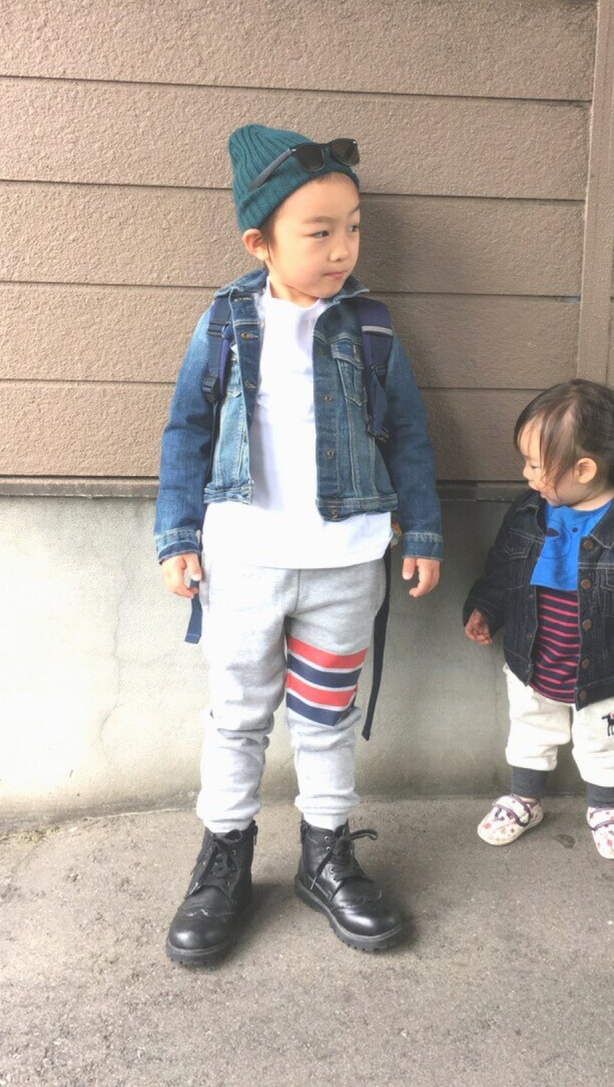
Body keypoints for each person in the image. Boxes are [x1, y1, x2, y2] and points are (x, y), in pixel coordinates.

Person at [155, 124, 441, 964]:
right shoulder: (225, 322)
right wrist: (176, 536)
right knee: (238, 716)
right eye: (319, 232)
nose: (343, 249)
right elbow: (186, 430)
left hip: (346, 565)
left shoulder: (372, 327)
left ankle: (326, 856)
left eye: (353, 228)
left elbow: (409, 434)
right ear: (261, 243)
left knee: (325, 718)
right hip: (242, 561)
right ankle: (224, 860)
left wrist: (423, 529)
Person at [463, 379, 614, 859]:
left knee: (604, 739)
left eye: (535, 465)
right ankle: (525, 799)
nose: (525, 475)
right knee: (530, 728)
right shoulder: (528, 512)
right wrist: (486, 607)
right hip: (533, 658)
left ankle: (605, 807)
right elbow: (503, 566)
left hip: (604, 668)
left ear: (583, 469)